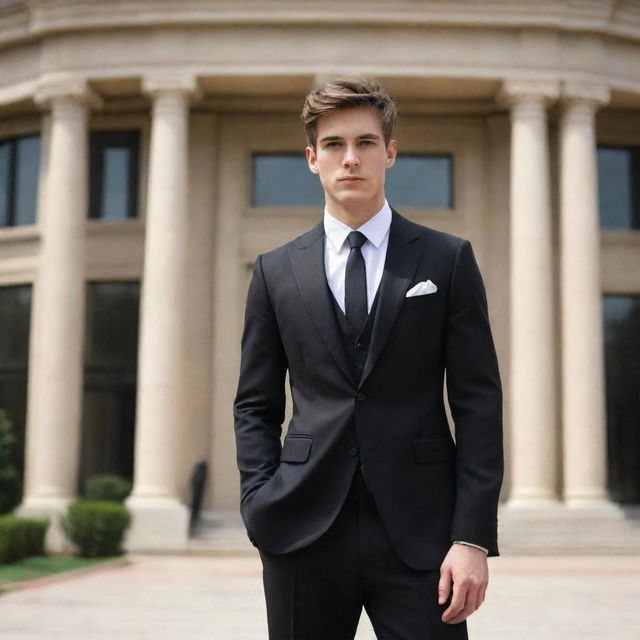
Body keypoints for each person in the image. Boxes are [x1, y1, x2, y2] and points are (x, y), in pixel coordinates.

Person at [233, 77, 503, 640]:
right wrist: (260, 502)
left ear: (391, 153)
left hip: (422, 537)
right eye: (333, 145)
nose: (350, 159)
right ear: (312, 159)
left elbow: (478, 402)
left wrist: (472, 537)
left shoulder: (447, 260)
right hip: (301, 531)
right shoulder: (275, 271)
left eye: (366, 143)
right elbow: (254, 404)